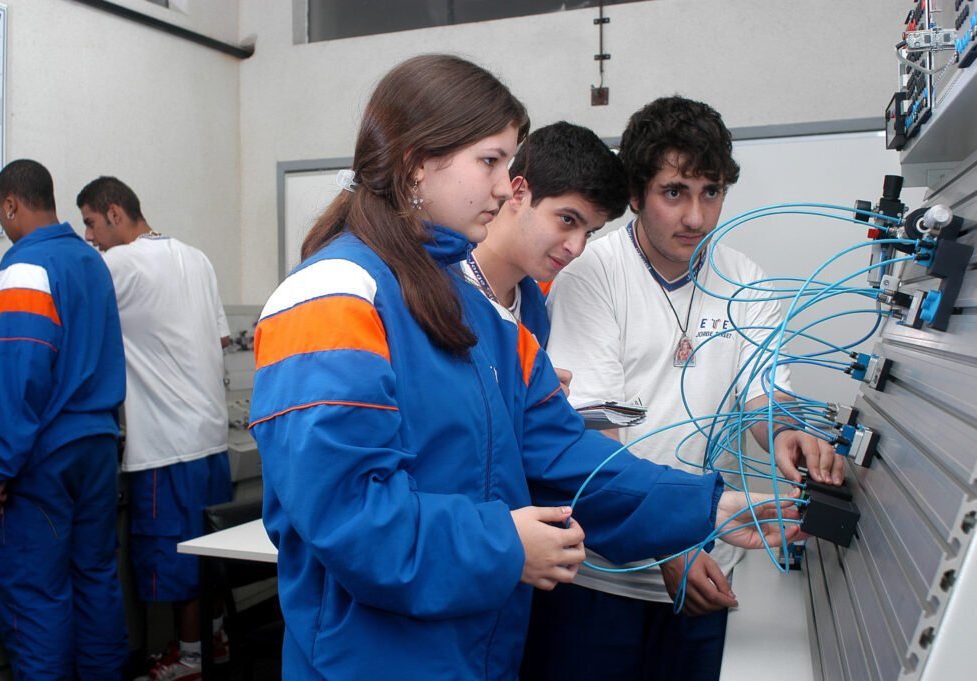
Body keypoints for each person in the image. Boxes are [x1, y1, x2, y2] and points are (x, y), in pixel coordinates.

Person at [249, 55, 800, 680]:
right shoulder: (334, 295)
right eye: (489, 161)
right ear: (414, 163)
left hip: (481, 650)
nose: (501, 186)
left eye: (507, 164)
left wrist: (711, 507)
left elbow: (567, 461)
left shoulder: (482, 313)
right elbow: (351, 517)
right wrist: (506, 547)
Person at [524, 96, 841, 681]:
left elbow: (761, 400)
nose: (696, 216)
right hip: (601, 575)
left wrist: (789, 433)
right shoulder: (593, 273)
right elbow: (599, 436)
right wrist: (669, 543)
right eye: (675, 192)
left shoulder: (744, 278)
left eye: (711, 192)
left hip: (709, 563)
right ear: (639, 193)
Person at [0, 159, 129, 679]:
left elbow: (20, 375)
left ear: (10, 204)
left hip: (43, 459)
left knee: (38, 597)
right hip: (98, 447)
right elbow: (49, 350)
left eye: (1, 213)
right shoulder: (91, 260)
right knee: (97, 580)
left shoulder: (24, 265)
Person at [76, 176, 233, 679]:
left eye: (92, 224)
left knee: (176, 557)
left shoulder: (120, 263)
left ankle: (188, 660)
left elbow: (57, 303)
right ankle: (214, 644)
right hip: (211, 438)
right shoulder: (197, 258)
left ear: (116, 213)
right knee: (207, 556)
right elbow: (222, 341)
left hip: (166, 446)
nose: (90, 238)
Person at [463, 121, 628, 347]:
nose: (577, 248)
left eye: (589, 233)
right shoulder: (433, 283)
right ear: (518, 193)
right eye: (567, 220)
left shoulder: (539, 309)